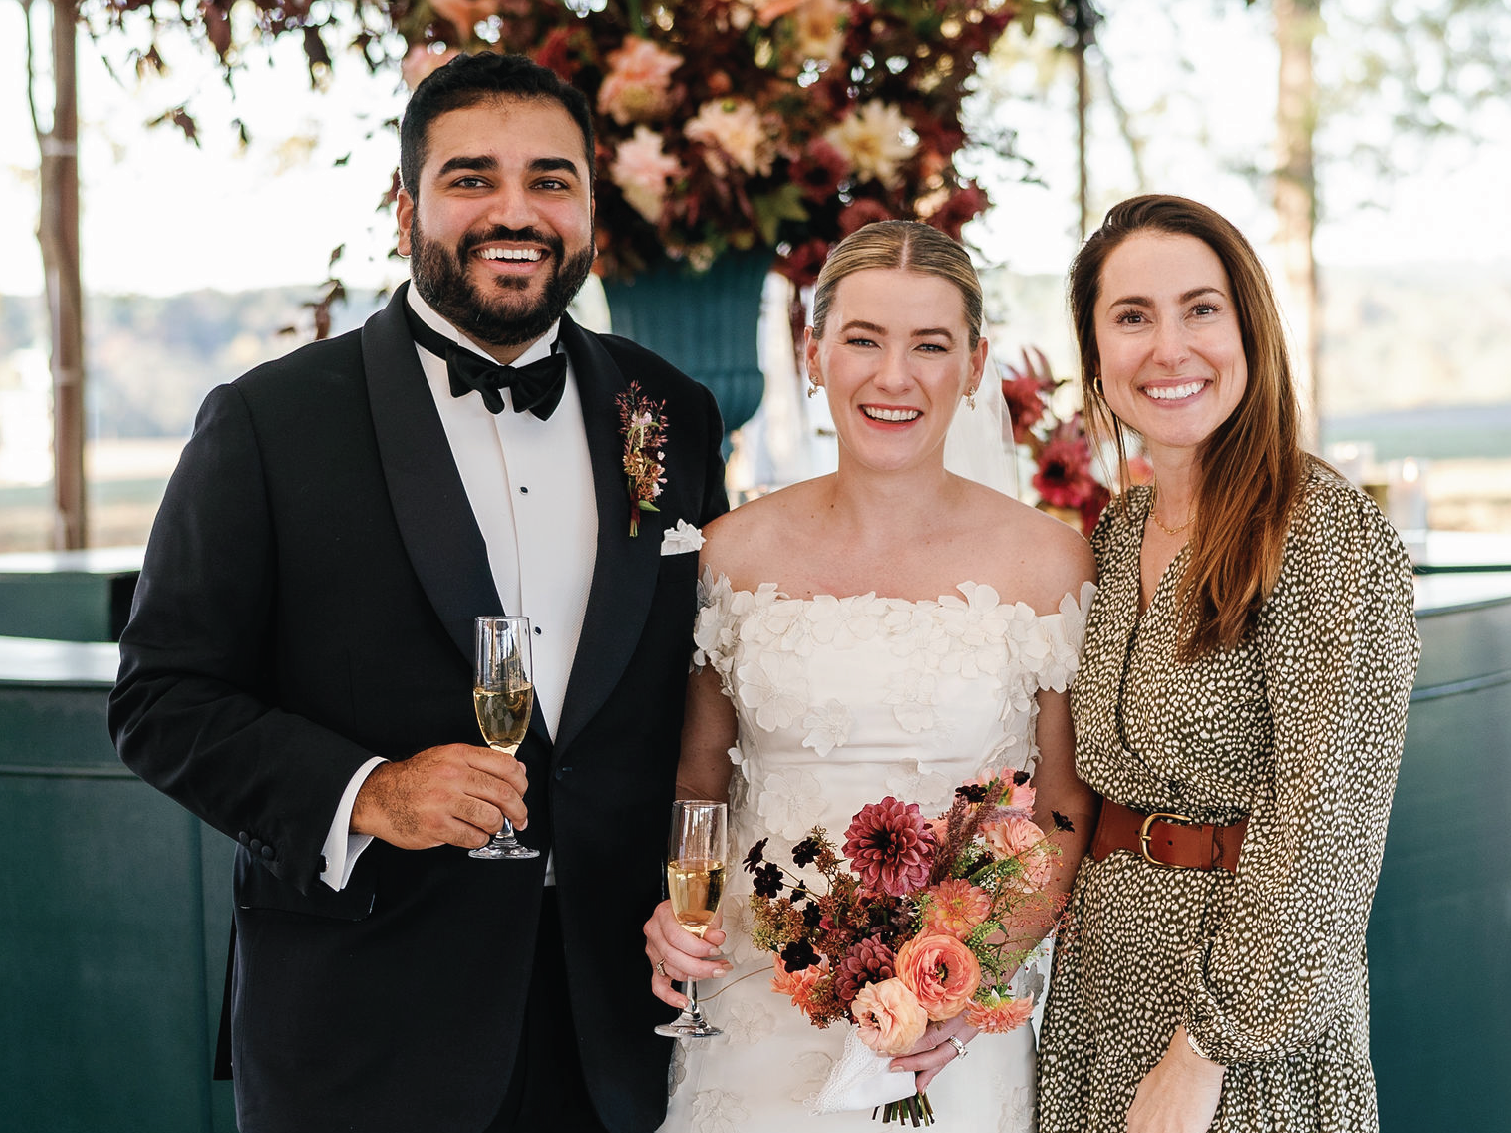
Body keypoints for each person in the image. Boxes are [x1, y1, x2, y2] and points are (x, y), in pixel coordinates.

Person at [108, 52, 728, 1133]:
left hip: (621, 1030)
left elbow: (697, 684)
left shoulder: (668, 409)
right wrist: (374, 791)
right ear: (407, 206)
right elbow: (161, 698)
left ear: (587, 204)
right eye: (470, 178)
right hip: (365, 1027)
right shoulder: (268, 422)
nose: (514, 210)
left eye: (549, 179)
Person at [642, 220, 1098, 1130]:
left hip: (957, 1034)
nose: (894, 377)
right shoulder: (726, 556)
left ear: (972, 368)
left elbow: (1060, 810)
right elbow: (697, 786)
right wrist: (667, 912)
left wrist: (960, 987)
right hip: (754, 1017)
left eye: (930, 345)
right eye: (862, 340)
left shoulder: (1050, 563)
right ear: (813, 355)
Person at [1036, 195, 1420, 1133]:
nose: (1168, 347)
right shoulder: (1119, 530)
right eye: (1132, 316)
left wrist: (1204, 1052)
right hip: (1101, 996)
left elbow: (1326, 833)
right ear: (1095, 354)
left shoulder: (1326, 534)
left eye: (1199, 308)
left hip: (1245, 1031)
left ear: (1248, 327)